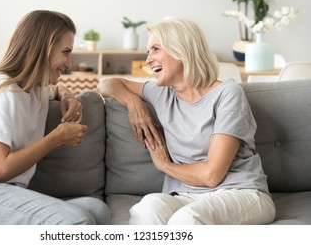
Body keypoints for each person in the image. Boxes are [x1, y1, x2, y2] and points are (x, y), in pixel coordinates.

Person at [97, 18, 276, 225]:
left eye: (155, 49)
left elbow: (211, 175)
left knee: (187, 219)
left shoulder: (228, 93)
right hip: (185, 196)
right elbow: (106, 84)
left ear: (181, 50)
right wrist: (133, 104)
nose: (148, 60)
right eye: (148, 52)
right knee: (147, 208)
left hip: (240, 192)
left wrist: (164, 164)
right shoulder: (161, 93)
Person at [0, 10, 111, 225]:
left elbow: (57, 89)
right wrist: (57, 138)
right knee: (77, 221)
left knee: (98, 210)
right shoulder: (0, 88)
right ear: (42, 49)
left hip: (3, 193)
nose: (69, 63)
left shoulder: (35, 89)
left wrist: (67, 95)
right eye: (65, 52)